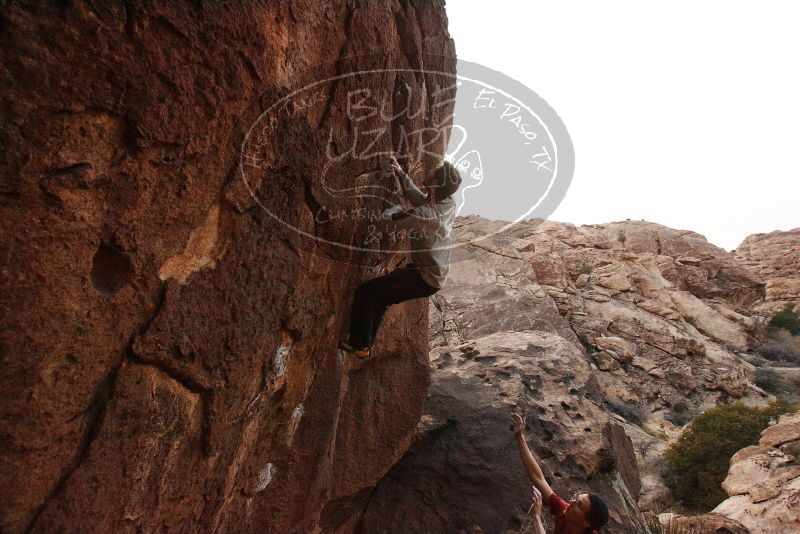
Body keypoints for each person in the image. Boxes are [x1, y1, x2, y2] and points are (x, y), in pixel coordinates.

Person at [339, 156, 461, 358]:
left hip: (424, 278)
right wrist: (402, 175)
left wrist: (378, 211)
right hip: (430, 273)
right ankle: (362, 345)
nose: (430, 170)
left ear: (436, 184)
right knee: (380, 298)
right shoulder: (447, 201)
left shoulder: (427, 215)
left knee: (367, 292)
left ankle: (359, 344)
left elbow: (385, 224)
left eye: (434, 172)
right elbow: (422, 199)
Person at [510, 413, 610, 534]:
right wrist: (519, 436)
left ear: (587, 523)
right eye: (575, 498)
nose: (572, 502)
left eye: (579, 504)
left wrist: (537, 518)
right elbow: (539, 478)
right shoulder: (564, 512)